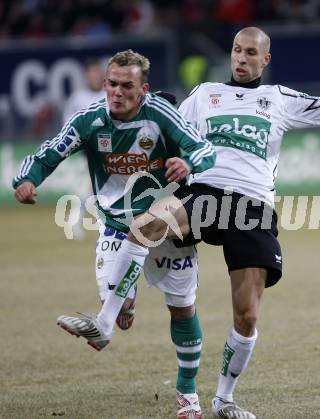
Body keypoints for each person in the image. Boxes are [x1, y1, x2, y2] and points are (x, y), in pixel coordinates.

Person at [58, 28, 320, 419]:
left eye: (250, 52)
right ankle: (104, 323)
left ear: (264, 59)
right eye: (237, 50)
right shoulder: (203, 95)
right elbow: (167, 132)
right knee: (145, 226)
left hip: (251, 206)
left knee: (247, 315)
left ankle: (224, 399)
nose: (241, 58)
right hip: (205, 193)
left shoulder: (279, 100)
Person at [13, 49, 215, 419]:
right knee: (120, 305)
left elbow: (204, 149)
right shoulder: (89, 121)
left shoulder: (160, 115)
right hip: (117, 224)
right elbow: (48, 154)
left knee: (183, 310)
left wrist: (187, 160)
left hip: (169, 221)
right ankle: (122, 304)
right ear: (104, 84)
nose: (117, 92)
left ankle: (187, 392)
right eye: (112, 84)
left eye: (127, 86)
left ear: (143, 90)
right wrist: (27, 178)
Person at [62, 58, 106, 240]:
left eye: (97, 73)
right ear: (86, 76)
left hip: (110, 146)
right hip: (90, 147)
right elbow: (68, 123)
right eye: (91, 73)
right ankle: (79, 220)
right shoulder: (78, 98)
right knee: (94, 185)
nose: (94, 77)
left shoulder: (108, 95)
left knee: (96, 188)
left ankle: (79, 220)